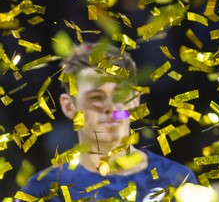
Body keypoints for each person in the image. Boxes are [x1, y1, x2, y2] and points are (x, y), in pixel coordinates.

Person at [16, 42, 197, 201]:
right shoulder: (44, 190)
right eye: (96, 97)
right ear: (69, 106)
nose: (111, 107)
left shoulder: (176, 180)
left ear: (135, 101)